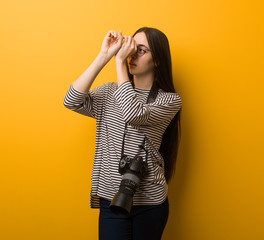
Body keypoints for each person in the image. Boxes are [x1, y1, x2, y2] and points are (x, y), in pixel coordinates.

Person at [63, 27, 182, 240]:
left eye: (142, 50)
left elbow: (133, 114)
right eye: (132, 48)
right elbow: (71, 101)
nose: (132, 55)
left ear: (158, 61)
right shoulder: (110, 91)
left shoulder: (169, 100)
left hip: (149, 202)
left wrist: (119, 63)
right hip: (111, 198)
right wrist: (105, 55)